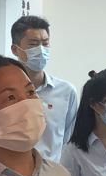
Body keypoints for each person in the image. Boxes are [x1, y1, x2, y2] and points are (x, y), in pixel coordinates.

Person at [8, 15, 77, 161]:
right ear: (15, 49)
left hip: (51, 170)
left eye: (45, 44)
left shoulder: (66, 91)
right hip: (12, 169)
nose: (41, 50)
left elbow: (67, 139)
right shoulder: (5, 91)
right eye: (33, 44)